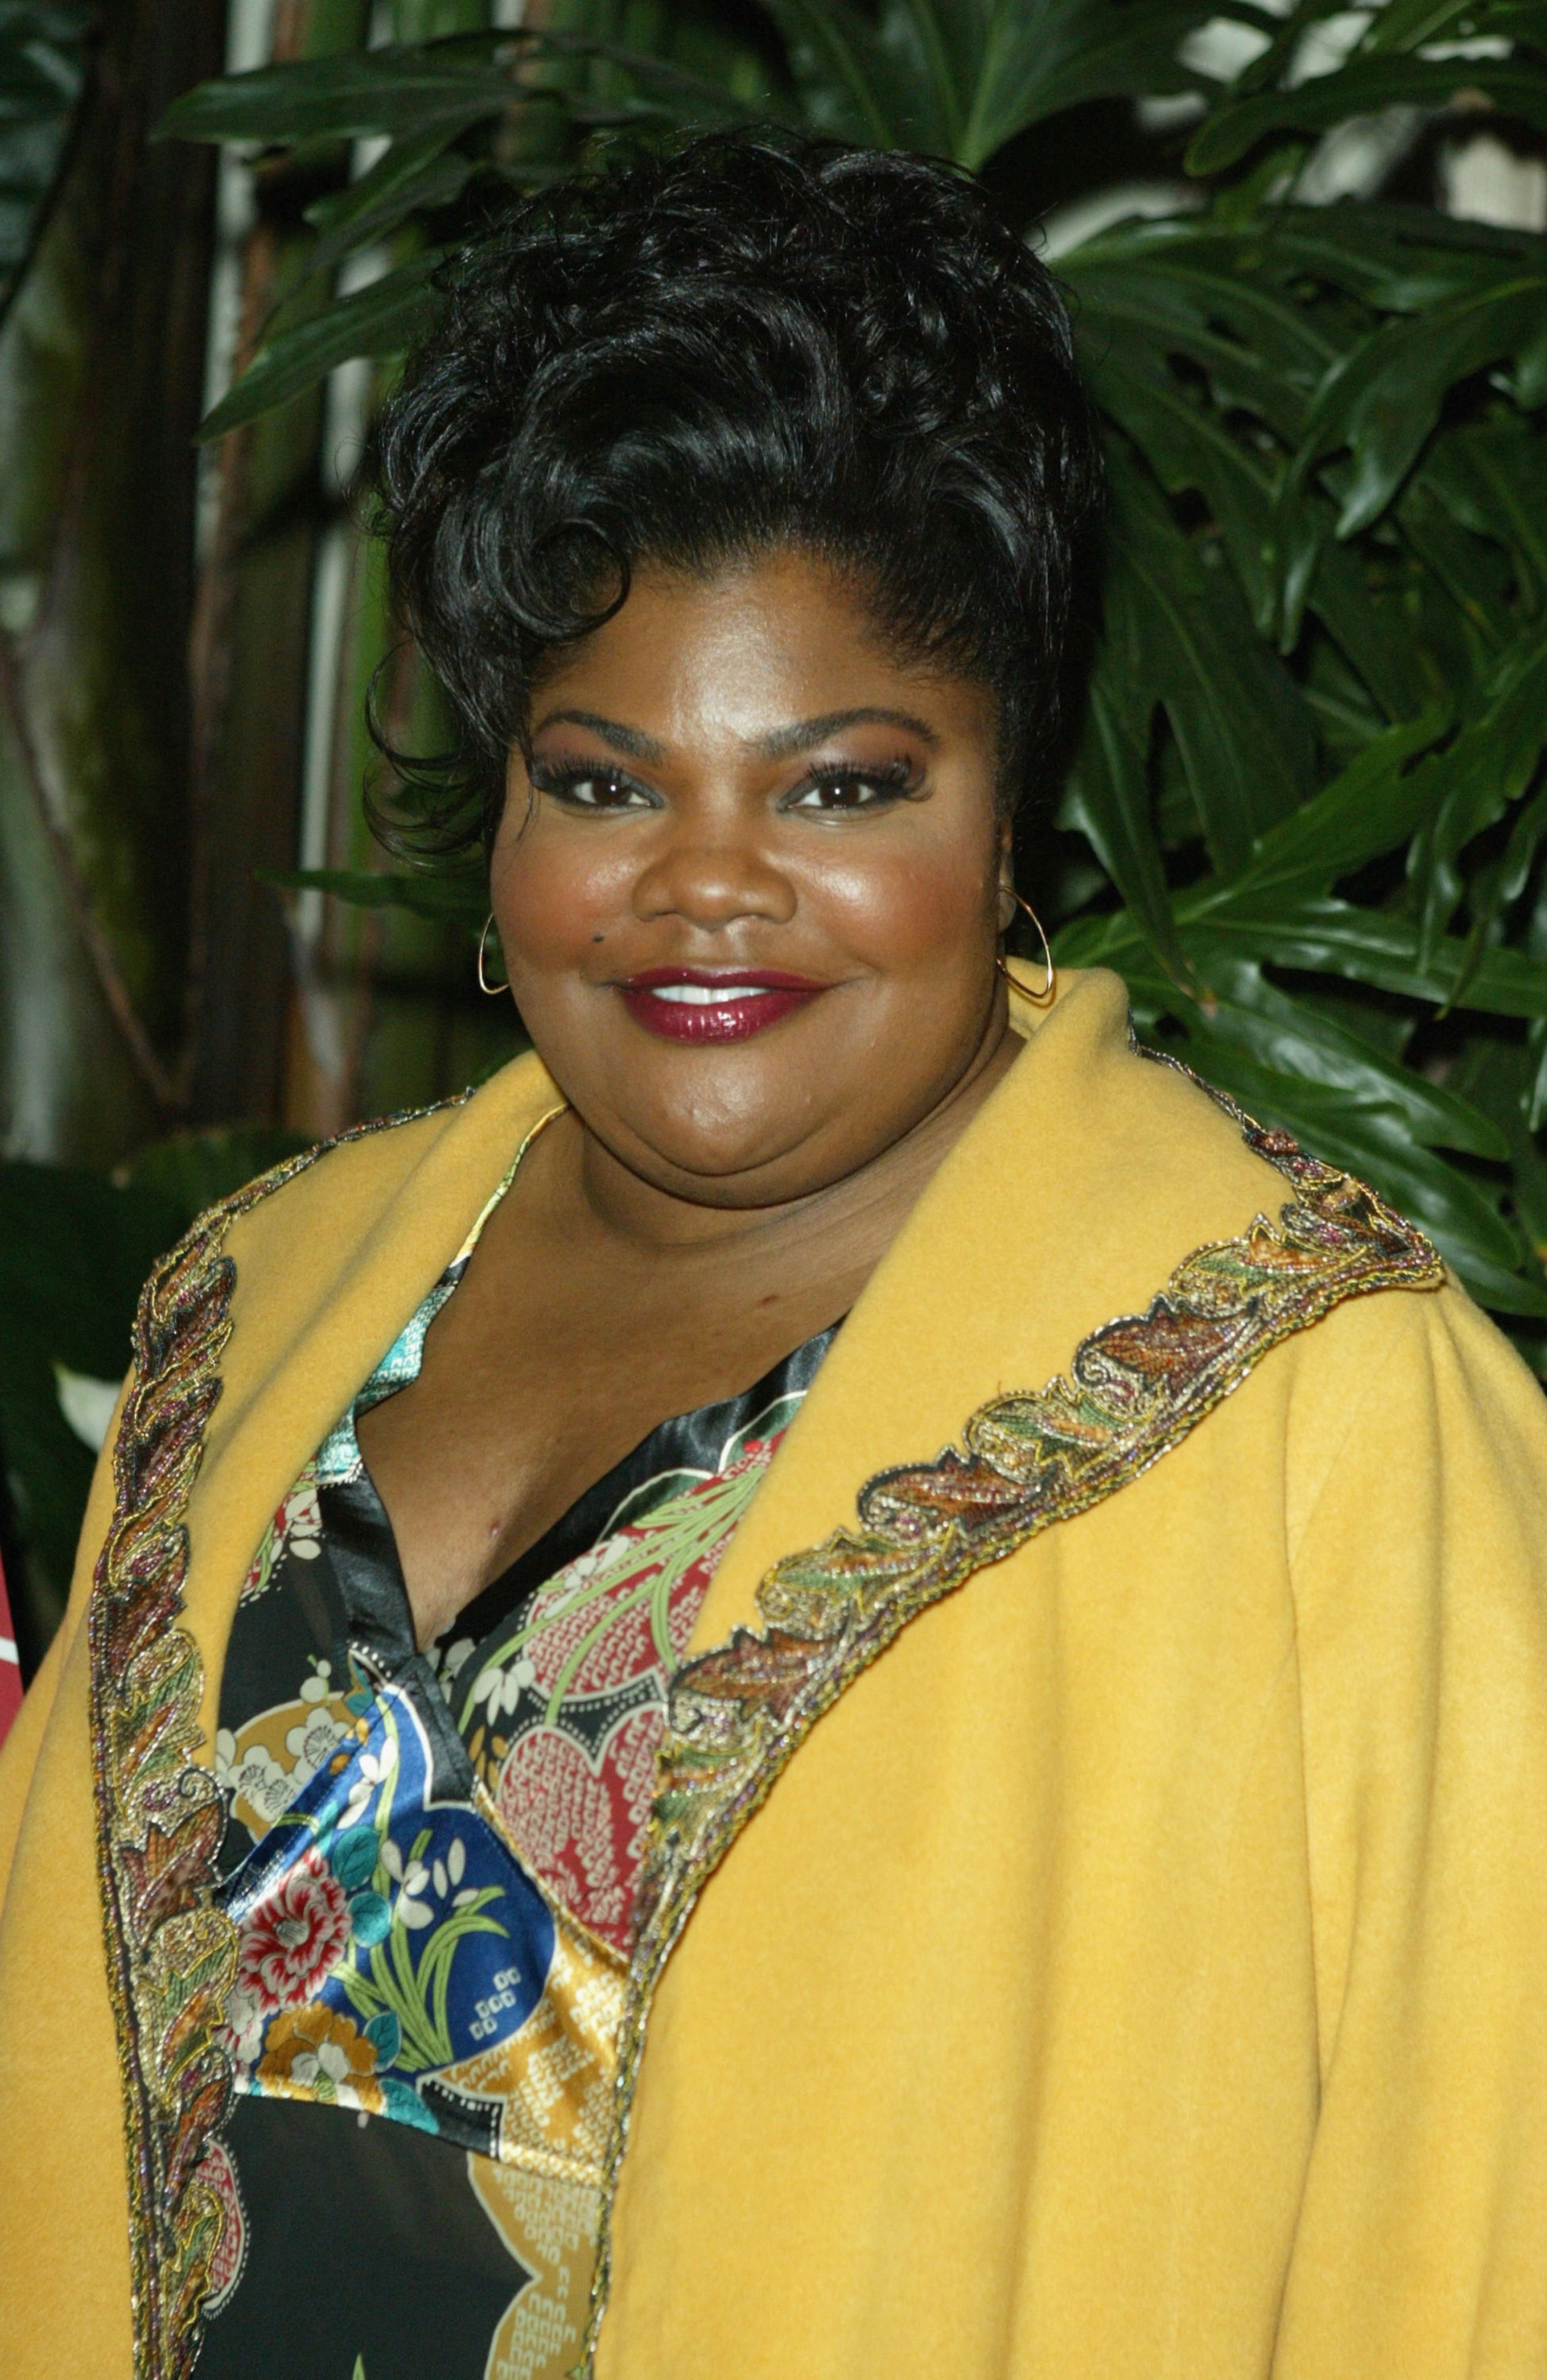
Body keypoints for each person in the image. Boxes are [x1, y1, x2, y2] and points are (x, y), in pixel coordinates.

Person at [3, 128, 1547, 2380]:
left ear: (1006, 806)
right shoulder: (251, 1307)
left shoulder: (1317, 1421)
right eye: (608, 781)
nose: (704, 886)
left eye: (840, 784)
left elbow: (1477, 2230)